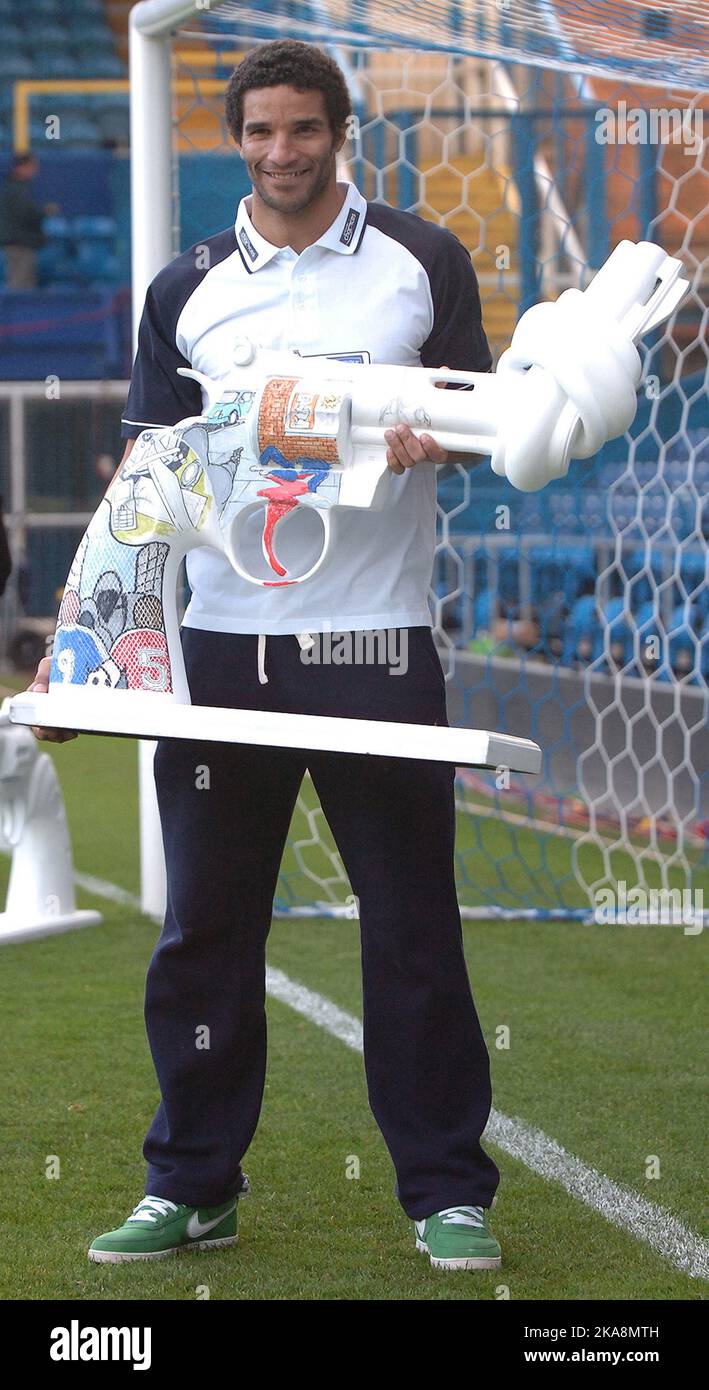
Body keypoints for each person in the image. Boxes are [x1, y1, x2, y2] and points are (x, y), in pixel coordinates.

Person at [30, 38, 502, 1272]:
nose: (280, 152)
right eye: (258, 133)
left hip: (376, 643)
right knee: (204, 929)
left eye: (302, 130)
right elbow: (147, 484)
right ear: (234, 139)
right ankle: (191, 1184)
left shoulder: (424, 261)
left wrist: (427, 442)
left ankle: (448, 1191)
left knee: (409, 926)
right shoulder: (184, 288)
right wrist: (92, 650)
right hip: (221, 653)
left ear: (340, 133)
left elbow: (487, 425)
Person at [0, 154, 50, 290]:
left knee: (25, 283)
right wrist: (44, 212)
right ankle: (14, 311)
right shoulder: (15, 188)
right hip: (19, 242)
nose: (35, 171)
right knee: (20, 284)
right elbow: (25, 213)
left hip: (22, 241)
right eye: (32, 167)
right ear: (22, 167)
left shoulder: (18, 186)